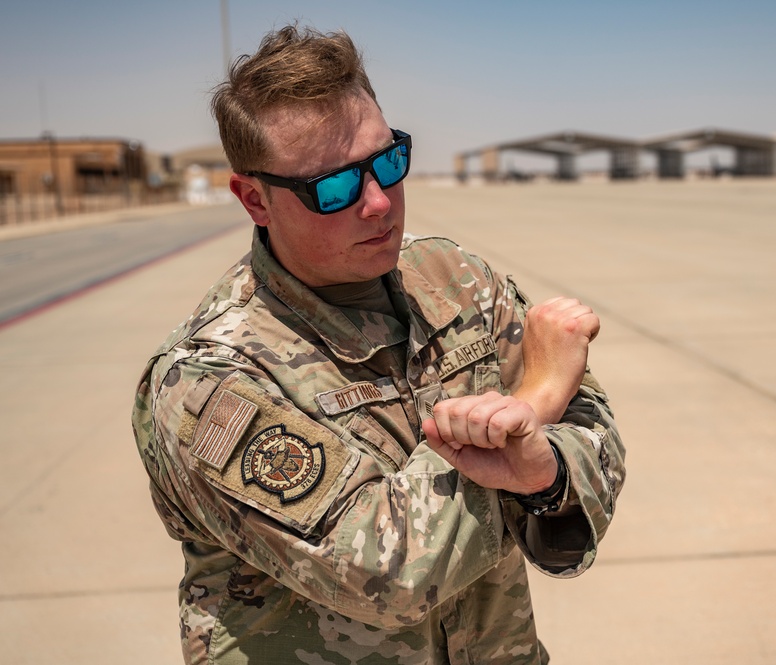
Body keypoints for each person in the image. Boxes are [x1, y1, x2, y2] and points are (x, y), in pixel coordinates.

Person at [132, 24, 625, 665]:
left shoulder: (457, 280)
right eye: (333, 188)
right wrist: (536, 396)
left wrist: (547, 478)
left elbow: (596, 429)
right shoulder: (208, 382)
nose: (377, 203)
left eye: (388, 161)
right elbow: (386, 571)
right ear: (254, 199)